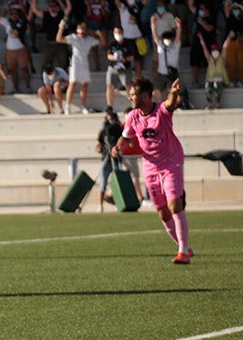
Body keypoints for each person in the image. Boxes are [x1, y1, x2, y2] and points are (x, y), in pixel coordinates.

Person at [112, 77, 192, 264]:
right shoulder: (132, 116)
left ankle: (183, 251)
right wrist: (118, 147)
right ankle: (184, 246)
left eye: (134, 94)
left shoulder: (161, 112)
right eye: (130, 94)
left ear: (146, 96)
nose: (130, 97)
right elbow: (124, 137)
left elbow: (170, 105)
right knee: (163, 213)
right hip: (150, 168)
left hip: (171, 163)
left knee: (174, 205)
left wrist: (173, 93)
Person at [57, 21, 103, 115]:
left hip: (84, 63)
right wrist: (61, 28)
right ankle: (67, 106)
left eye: (83, 28)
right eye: (79, 28)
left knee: (84, 85)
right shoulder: (73, 37)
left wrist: (99, 34)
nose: (81, 30)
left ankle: (83, 106)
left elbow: (102, 43)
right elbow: (59, 39)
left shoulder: (89, 39)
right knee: (72, 83)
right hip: (75, 63)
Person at [95, 108, 124, 212]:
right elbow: (98, 145)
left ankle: (118, 203)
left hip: (115, 159)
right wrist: (100, 149)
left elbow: (122, 142)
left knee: (117, 182)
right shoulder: (103, 131)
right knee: (103, 182)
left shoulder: (118, 130)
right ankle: (100, 205)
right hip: (105, 159)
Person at [199, 40, 228, 110]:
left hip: (221, 80)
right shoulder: (210, 59)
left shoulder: (222, 59)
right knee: (207, 86)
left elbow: (224, 48)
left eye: (216, 50)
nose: (215, 51)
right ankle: (209, 103)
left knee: (216, 85)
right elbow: (204, 49)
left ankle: (218, 103)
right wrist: (201, 40)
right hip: (211, 80)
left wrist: (228, 38)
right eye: (213, 50)